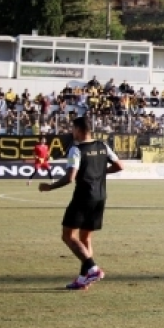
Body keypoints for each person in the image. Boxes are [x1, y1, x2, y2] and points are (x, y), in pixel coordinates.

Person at [39, 116, 123, 290]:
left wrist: (50, 187)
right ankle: (83, 279)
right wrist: (99, 173)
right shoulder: (102, 146)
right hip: (100, 196)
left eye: (73, 129)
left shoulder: (76, 150)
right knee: (85, 238)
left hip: (83, 197)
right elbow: (119, 166)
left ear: (78, 129)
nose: (72, 132)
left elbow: (70, 177)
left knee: (68, 236)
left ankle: (92, 268)